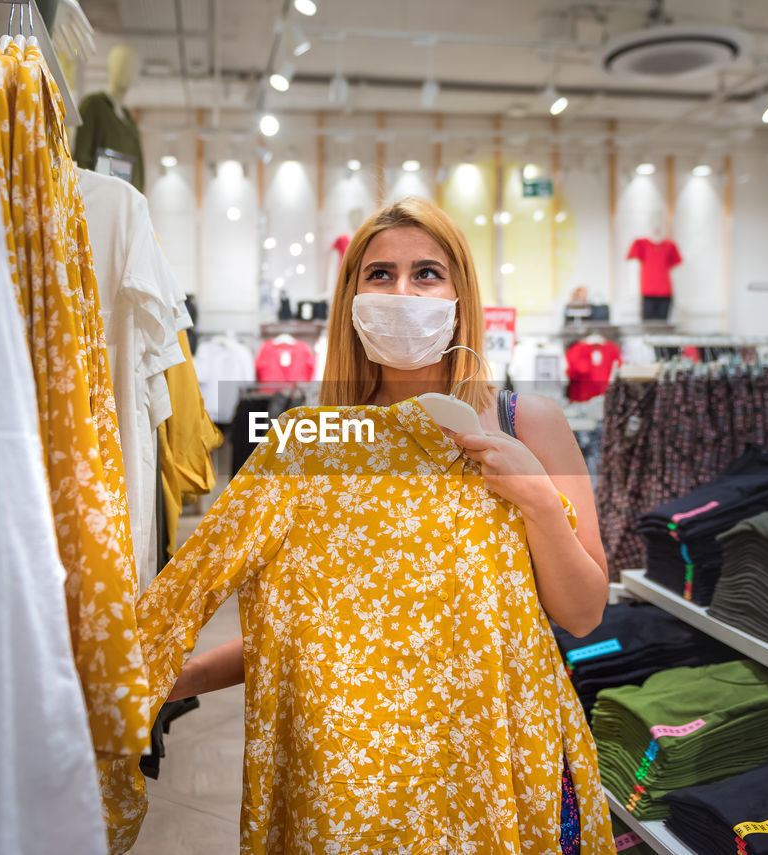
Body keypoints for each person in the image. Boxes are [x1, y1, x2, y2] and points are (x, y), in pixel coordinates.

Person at [130, 196, 612, 852]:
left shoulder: (531, 422)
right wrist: (168, 674)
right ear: (350, 300)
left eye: (427, 273)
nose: (402, 291)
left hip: (497, 759)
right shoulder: (311, 445)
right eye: (379, 274)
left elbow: (583, 612)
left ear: (460, 294)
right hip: (359, 787)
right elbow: (317, 631)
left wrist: (531, 493)